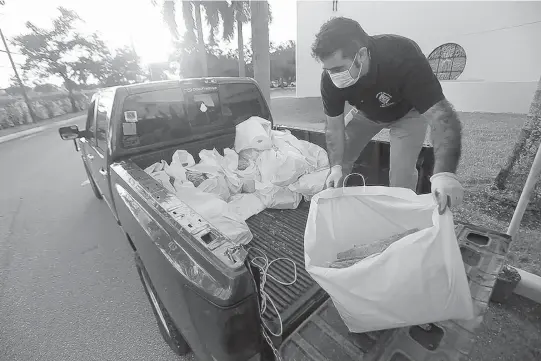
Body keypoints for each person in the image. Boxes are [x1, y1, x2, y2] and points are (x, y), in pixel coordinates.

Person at [311, 17, 464, 214]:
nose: (334, 76)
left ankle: (400, 223)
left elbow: (441, 116)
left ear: (362, 54)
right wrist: (336, 166)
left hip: (408, 114)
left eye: (339, 69)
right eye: (328, 70)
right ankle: (332, 212)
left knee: (401, 177)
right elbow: (334, 128)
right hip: (365, 114)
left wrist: (444, 173)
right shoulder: (329, 80)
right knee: (338, 164)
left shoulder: (403, 55)